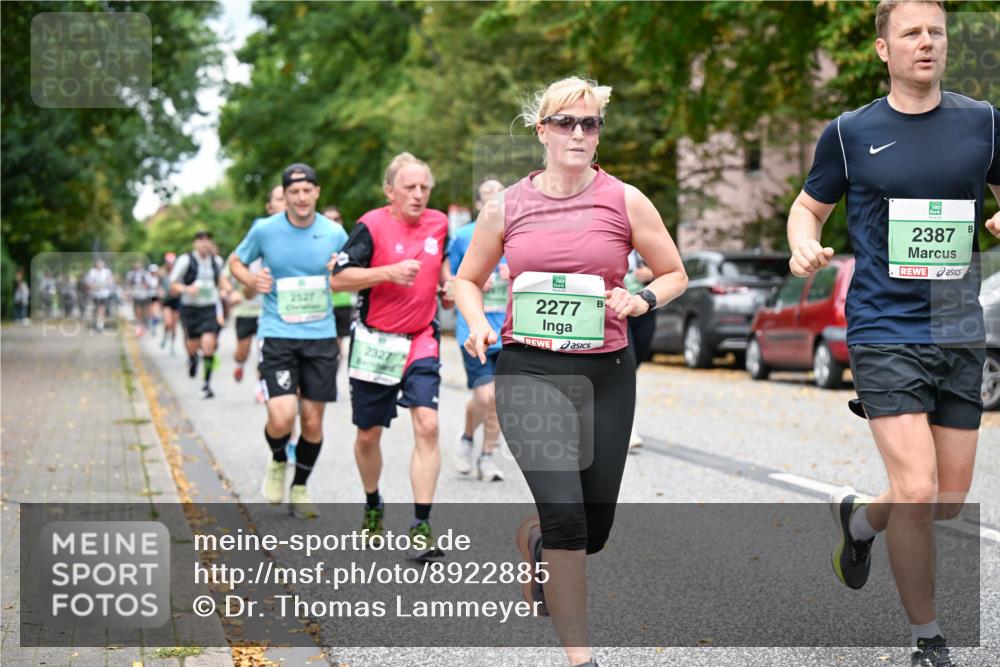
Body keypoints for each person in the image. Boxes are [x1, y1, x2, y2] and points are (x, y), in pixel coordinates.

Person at [786, 2, 1000, 665]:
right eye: (911, 32)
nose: (927, 42)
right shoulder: (851, 132)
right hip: (882, 323)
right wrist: (803, 246)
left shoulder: (985, 122)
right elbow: (808, 206)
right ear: (884, 49)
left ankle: (857, 521)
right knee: (914, 487)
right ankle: (927, 637)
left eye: (936, 31)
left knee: (946, 499)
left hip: (957, 320)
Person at [454, 76, 687, 667]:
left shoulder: (625, 199)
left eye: (589, 123)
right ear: (543, 131)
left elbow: (673, 273)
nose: (579, 133)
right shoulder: (505, 205)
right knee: (568, 523)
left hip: (605, 374)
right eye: (566, 123)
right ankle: (581, 658)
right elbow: (466, 279)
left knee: (593, 529)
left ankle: (535, 542)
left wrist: (642, 300)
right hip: (528, 370)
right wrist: (477, 321)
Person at [331, 152, 453, 560]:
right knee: (368, 434)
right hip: (376, 341)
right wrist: (386, 272)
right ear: (390, 192)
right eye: (410, 188)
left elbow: (445, 268)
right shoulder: (370, 225)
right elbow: (338, 280)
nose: (419, 195)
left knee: (429, 424)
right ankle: (372, 502)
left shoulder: (439, 223)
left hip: (421, 336)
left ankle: (421, 525)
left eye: (424, 188)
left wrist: (450, 288)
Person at [230, 163, 347, 518]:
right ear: (286, 195)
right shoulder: (265, 230)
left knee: (312, 422)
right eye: (293, 192)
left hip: (321, 336)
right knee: (282, 418)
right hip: (278, 334)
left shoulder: (334, 232)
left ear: (316, 192)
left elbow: (353, 269)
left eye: (306, 190)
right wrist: (251, 279)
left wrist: (339, 269)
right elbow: (235, 261)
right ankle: (279, 458)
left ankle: (300, 487)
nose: (300, 197)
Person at [449, 177, 507, 481]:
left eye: (499, 195)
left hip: (509, 330)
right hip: (474, 329)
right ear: (478, 204)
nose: (493, 200)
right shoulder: (463, 236)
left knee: (494, 397)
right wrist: (471, 280)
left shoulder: (517, 234)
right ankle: (471, 441)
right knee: (486, 396)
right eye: (487, 196)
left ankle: (483, 454)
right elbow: (452, 277)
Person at [227, 185, 286, 399]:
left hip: (281, 317)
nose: (288, 203)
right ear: (270, 207)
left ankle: (262, 386)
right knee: (242, 352)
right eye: (281, 199)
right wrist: (254, 282)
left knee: (265, 354)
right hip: (249, 309)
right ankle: (240, 364)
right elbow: (244, 286)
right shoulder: (259, 239)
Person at [169, 231, 232, 399]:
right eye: (201, 240)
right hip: (190, 308)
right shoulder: (185, 260)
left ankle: (206, 384)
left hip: (209, 308)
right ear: (195, 243)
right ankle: (192, 359)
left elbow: (222, 282)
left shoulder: (216, 262)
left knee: (209, 345)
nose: (204, 244)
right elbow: (173, 284)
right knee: (192, 345)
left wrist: (226, 291)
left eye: (207, 241)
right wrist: (187, 289)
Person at [623, 250, 656, 448]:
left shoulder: (643, 242)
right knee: (628, 365)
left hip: (644, 308)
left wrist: (651, 273)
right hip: (616, 308)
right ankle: (628, 427)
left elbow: (668, 270)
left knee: (635, 364)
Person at [323, 205, 356, 369]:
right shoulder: (312, 242)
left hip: (342, 302)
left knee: (335, 348)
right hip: (320, 304)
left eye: (336, 219)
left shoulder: (348, 244)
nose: (333, 223)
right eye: (328, 220)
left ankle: (330, 384)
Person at [85, 258, 115, 332]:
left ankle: (100, 324)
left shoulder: (107, 272)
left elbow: (111, 281)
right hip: (95, 293)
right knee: (97, 308)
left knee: (101, 308)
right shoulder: (92, 272)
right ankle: (98, 322)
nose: (99, 265)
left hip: (104, 294)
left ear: (103, 264)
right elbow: (88, 282)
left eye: (101, 263)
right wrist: (94, 287)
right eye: (98, 263)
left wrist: (106, 284)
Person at [160, 253, 180, 353]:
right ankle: (164, 336)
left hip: (177, 301)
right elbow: (158, 286)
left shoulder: (179, 272)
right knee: (168, 322)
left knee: (174, 325)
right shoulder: (162, 273)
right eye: (169, 263)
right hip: (167, 301)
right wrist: (160, 292)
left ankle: (172, 345)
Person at [126, 261, 153, 336]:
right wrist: (129, 294)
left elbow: (149, 285)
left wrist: (144, 282)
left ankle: (145, 324)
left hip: (145, 296)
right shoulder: (131, 274)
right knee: (138, 313)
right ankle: (139, 327)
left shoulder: (146, 274)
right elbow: (129, 285)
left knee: (145, 312)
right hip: (136, 296)